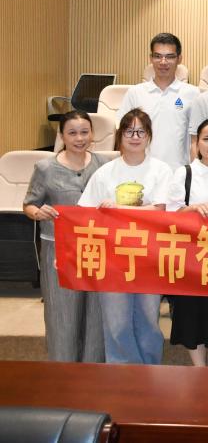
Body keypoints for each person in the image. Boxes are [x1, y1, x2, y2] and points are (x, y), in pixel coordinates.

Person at [78, 109, 174, 365]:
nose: (135, 137)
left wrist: (117, 209)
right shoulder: (105, 172)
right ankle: (122, 372)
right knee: (116, 321)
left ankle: (149, 370)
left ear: (149, 136)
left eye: (141, 131)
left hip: (149, 256)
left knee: (148, 319)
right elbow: (84, 214)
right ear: (120, 135)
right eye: (129, 131)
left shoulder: (161, 170)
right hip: (112, 259)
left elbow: (160, 211)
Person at [23, 111, 107, 363]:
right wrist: (38, 212)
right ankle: (63, 373)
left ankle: (93, 371)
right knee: (61, 315)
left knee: (96, 315)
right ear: (61, 136)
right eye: (72, 133)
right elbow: (29, 204)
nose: (79, 138)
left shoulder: (104, 165)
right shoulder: (45, 168)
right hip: (58, 249)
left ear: (92, 134)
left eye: (84, 132)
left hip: (95, 249)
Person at [166, 117, 208, 368]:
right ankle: (199, 368)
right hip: (191, 257)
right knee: (191, 312)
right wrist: (193, 209)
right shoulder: (184, 173)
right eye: (206, 139)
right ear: (196, 143)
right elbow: (170, 214)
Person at [117, 33, 199, 169]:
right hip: (141, 171)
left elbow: (196, 140)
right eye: (158, 56)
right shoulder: (135, 93)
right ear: (151, 58)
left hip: (177, 172)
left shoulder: (193, 93)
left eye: (170, 56)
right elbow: (123, 135)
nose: (163, 62)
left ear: (179, 59)